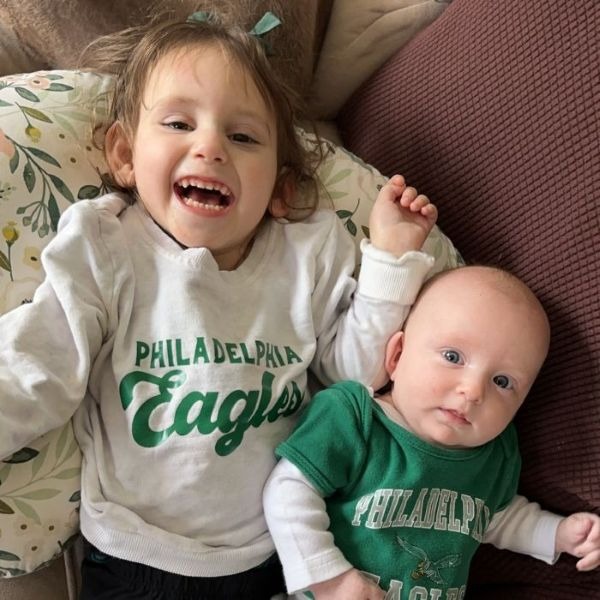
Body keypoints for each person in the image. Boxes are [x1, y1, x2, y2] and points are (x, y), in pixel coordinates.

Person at [0, 10, 440, 600]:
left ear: (280, 189)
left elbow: (354, 375)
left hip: (276, 554)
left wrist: (389, 260)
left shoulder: (305, 256)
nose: (209, 147)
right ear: (125, 155)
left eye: (243, 137)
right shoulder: (110, 247)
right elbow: (42, 362)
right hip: (136, 554)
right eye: (178, 123)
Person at [263, 265, 600, 599]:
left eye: (502, 381)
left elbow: (497, 520)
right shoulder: (355, 418)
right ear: (397, 356)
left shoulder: (494, 457)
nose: (473, 391)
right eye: (453, 356)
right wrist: (331, 580)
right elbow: (288, 490)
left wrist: (558, 533)